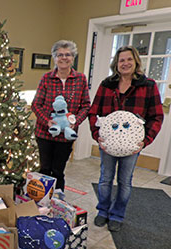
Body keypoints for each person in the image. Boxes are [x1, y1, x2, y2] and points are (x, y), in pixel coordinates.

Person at [88, 45, 163, 232]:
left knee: (125, 181)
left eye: (129, 59)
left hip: (132, 147)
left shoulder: (148, 85)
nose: (125, 63)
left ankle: (117, 215)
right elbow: (93, 113)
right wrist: (97, 136)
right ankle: (103, 211)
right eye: (121, 60)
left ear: (136, 61)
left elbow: (157, 117)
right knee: (105, 179)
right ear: (116, 63)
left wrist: (145, 141)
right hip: (108, 144)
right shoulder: (107, 85)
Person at [31, 40, 90, 199]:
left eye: (68, 55)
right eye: (60, 55)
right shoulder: (46, 78)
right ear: (54, 58)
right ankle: (41, 199)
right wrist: (47, 121)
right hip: (44, 133)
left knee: (58, 169)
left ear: (73, 57)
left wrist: (74, 121)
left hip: (67, 134)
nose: (64, 58)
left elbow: (86, 105)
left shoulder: (81, 79)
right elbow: (36, 104)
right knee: (45, 168)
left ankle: (58, 199)